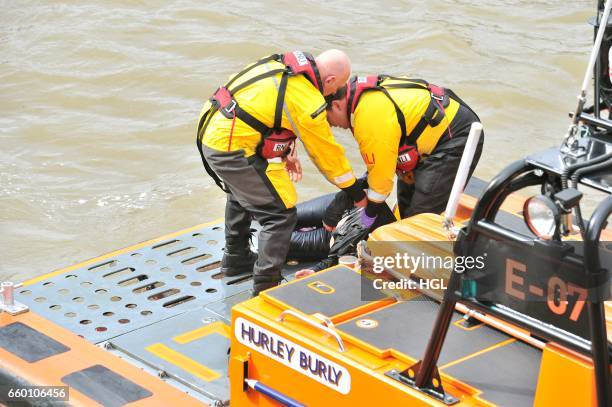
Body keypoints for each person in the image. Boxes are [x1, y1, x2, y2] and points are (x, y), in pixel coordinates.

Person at [196, 50, 366, 295]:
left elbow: (265, 111)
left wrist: (285, 153)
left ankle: (236, 259)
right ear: (329, 82)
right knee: (279, 215)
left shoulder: (285, 67)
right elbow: (328, 156)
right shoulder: (309, 101)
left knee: (242, 190)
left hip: (215, 127)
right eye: (335, 89)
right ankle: (266, 288)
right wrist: (353, 189)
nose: (331, 95)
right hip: (230, 145)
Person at [295, 74, 483, 278]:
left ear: (339, 106)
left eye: (327, 117)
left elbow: (379, 190)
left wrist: (360, 223)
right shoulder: (363, 103)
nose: (330, 125)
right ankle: (407, 251)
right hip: (424, 136)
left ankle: (416, 271)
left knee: (417, 218)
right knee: (404, 208)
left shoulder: (368, 116)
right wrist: (344, 202)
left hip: (453, 137)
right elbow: (378, 171)